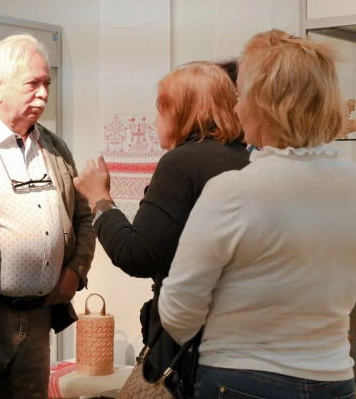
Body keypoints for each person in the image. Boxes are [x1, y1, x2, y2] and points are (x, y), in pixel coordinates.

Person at [159, 30, 356, 399]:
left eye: (241, 96)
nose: (236, 108)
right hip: (334, 380)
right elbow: (354, 279)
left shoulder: (234, 191)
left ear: (266, 104)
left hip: (242, 379)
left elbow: (178, 312)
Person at [0, 33, 96, 399]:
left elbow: (83, 218)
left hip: (38, 319)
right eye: (32, 84)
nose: (43, 94)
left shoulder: (55, 147)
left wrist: (76, 269)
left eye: (47, 84)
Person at [73, 62, 249, 377]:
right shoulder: (249, 159)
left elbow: (137, 254)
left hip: (189, 343)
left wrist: (99, 198)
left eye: (161, 109)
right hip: (240, 337)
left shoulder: (180, 164)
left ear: (180, 112)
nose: (155, 120)